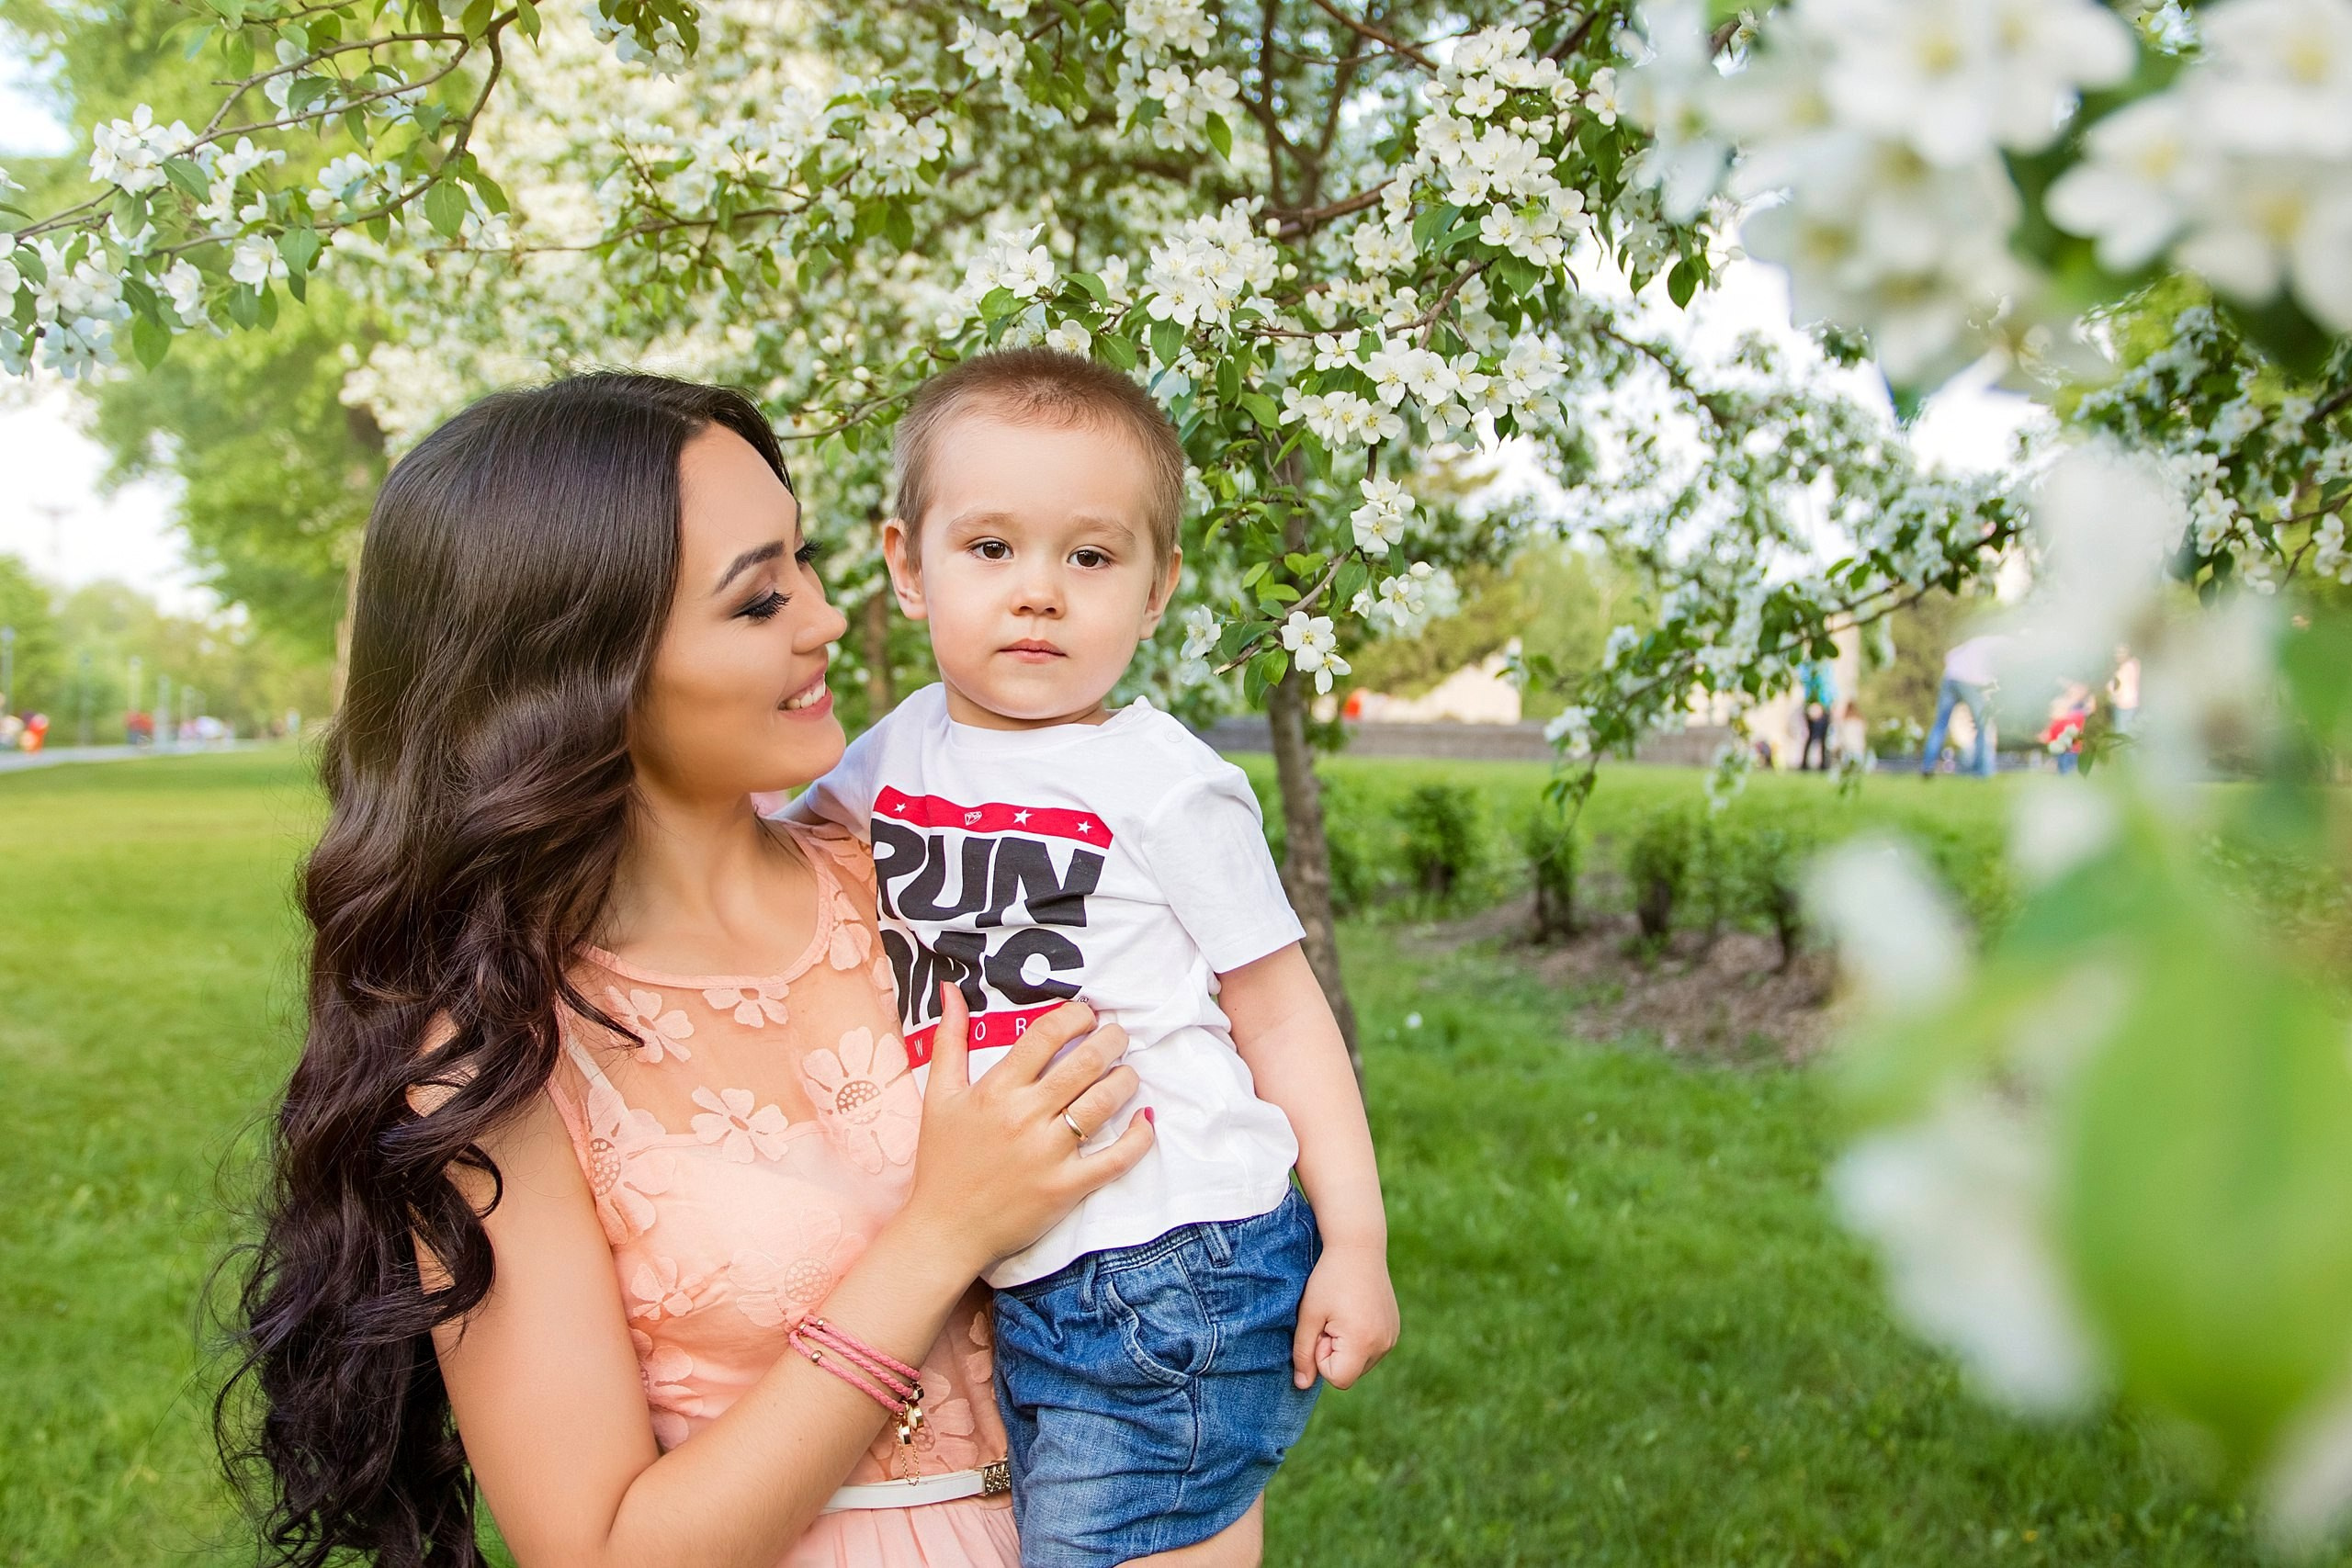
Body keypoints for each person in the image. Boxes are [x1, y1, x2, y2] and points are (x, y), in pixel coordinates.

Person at [224, 373, 1160, 1568]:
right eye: (760, 596)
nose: (824, 618)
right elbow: (601, 1545)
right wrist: (940, 1232)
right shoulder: (501, 1051)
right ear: (580, 668)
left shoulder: (928, 875)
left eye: (806, 561)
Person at [793, 349, 1397, 1568]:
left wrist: (1360, 1241)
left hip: (1181, 1254)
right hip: (1030, 1267)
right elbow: (769, 844)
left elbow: (1281, 1014)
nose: (1039, 593)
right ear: (907, 563)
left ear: (1159, 585)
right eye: (992, 547)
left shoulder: (1163, 780)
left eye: (1090, 555)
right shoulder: (894, 751)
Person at [1921, 633, 2009, 778]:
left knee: (1940, 724)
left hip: (1950, 676)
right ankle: (1983, 770)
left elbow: (1950, 655)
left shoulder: (1979, 641)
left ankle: (1927, 766)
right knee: (1983, 724)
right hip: (1972, 680)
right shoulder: (2004, 645)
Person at [1798, 660, 1836, 772]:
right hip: (1814, 705)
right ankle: (1805, 764)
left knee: (1824, 737)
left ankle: (1824, 764)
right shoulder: (1810, 666)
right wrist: (1814, 704)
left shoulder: (1826, 666)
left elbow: (1830, 687)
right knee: (1812, 737)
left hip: (1825, 706)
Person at [2108, 645, 2141, 736]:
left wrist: (2112, 694)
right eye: (2116, 652)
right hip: (2132, 703)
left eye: (2121, 652)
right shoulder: (2135, 664)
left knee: (2122, 735)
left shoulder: (2125, 668)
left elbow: (2118, 686)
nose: (2117, 655)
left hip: (2124, 705)